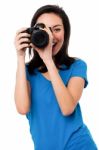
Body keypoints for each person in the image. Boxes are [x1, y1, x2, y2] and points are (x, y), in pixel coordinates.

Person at [14, 4, 97, 150]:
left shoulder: (77, 66)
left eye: (56, 29)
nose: (51, 36)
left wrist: (48, 60)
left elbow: (67, 108)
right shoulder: (27, 71)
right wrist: (20, 57)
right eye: (43, 29)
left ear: (66, 33)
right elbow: (22, 108)